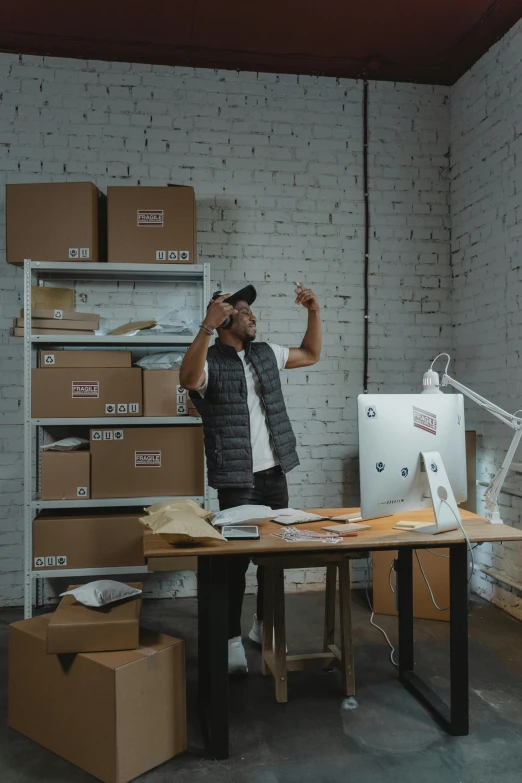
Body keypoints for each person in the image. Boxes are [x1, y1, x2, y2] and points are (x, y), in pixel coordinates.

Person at [179, 282, 321, 673]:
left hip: (275, 473)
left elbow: (310, 354)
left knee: (273, 560)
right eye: (242, 310)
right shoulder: (210, 360)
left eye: (250, 310)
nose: (251, 315)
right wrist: (206, 328)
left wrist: (313, 312)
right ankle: (230, 641)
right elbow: (188, 380)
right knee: (235, 564)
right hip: (237, 478)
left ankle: (262, 627)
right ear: (223, 317)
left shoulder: (265, 353)